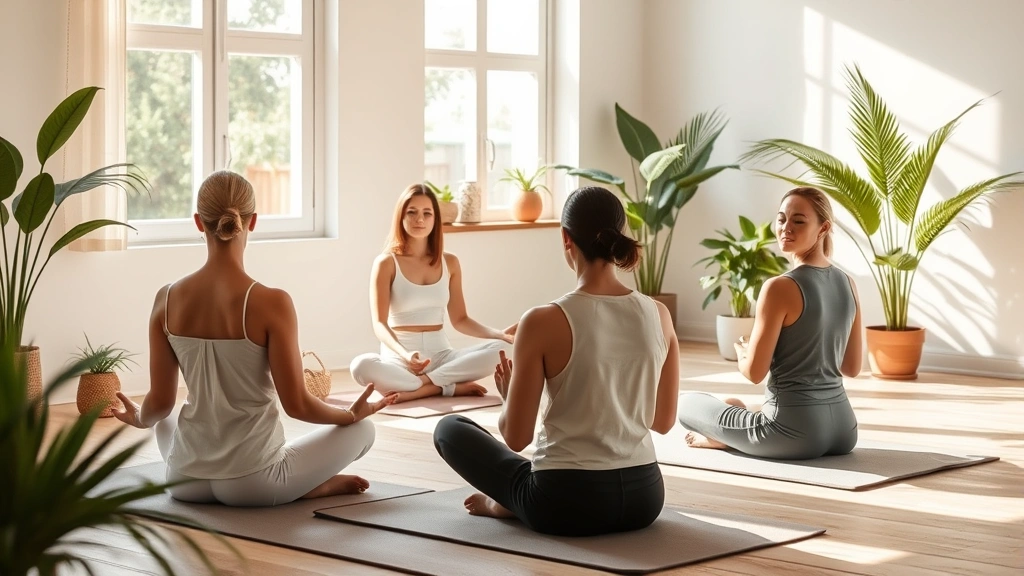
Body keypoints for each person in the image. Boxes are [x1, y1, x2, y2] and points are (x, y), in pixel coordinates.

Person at [113, 170, 395, 506]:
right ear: (253, 221)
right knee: (364, 431)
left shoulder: (167, 298)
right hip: (255, 483)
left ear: (198, 222)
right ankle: (306, 486)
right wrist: (350, 415)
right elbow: (297, 405)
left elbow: (160, 403)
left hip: (184, 480)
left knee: (162, 421)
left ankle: (295, 483)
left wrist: (139, 418)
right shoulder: (272, 302)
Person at [432, 186, 679, 536]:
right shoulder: (659, 314)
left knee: (449, 430)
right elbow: (664, 421)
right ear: (619, 236)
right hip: (645, 499)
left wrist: (509, 397)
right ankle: (515, 500)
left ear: (566, 238)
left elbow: (516, 438)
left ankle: (508, 502)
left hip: (566, 502)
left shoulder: (542, 320)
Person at [677, 186, 863, 460]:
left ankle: (724, 437)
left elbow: (754, 373)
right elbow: (852, 368)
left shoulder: (779, 286)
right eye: (781, 219)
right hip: (845, 432)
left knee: (685, 404)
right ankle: (735, 425)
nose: (786, 228)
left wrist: (744, 352)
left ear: (823, 228)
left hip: (792, 435)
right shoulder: (848, 283)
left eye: (798, 221)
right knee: (738, 408)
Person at [349, 183, 513, 403]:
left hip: (442, 357)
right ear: (401, 216)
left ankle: (423, 387)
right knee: (360, 366)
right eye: (412, 212)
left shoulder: (450, 262)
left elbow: (460, 319)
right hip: (399, 359)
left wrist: (499, 334)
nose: (420, 219)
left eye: (427, 213)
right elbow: (379, 323)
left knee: (507, 349)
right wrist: (405, 355)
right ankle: (445, 386)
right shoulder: (386, 263)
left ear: (435, 219)